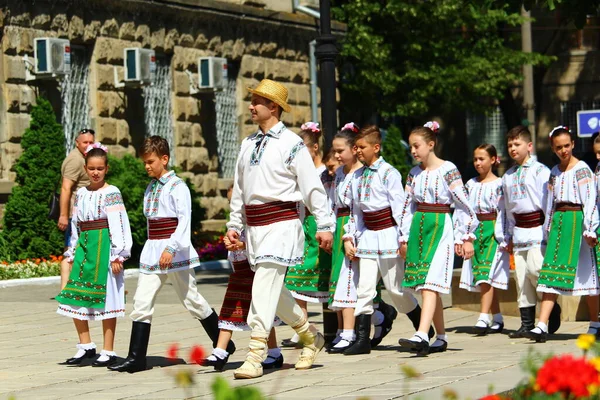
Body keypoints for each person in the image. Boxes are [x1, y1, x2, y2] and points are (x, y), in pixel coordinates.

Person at [226, 79, 333, 379]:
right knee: (275, 291)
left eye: (256, 101)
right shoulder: (247, 144)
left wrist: (325, 224)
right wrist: (235, 225)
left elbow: (312, 188)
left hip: (283, 225)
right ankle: (312, 336)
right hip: (256, 229)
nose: (250, 106)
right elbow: (240, 190)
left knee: (262, 287)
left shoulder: (292, 144)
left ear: (272, 107)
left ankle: (255, 355)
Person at [109, 136, 233, 373]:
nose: (146, 166)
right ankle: (136, 358)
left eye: (151, 161)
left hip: (173, 251)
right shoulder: (151, 187)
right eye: (144, 162)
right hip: (153, 250)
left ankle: (223, 344)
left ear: (164, 159)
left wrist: (171, 248)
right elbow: (151, 222)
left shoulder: (178, 187)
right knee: (142, 300)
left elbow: (184, 221)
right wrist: (152, 247)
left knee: (191, 300)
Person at [343, 125, 430, 356]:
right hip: (368, 238)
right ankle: (362, 339)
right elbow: (355, 212)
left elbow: (400, 208)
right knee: (364, 289)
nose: (358, 150)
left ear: (376, 147)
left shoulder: (389, 173)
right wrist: (350, 236)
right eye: (356, 147)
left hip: (388, 235)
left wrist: (404, 238)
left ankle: (422, 325)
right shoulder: (356, 177)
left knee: (396, 289)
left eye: (362, 147)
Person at [398, 122, 478, 356]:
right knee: (426, 285)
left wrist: (466, 236)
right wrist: (403, 237)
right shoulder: (414, 174)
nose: (413, 151)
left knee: (431, 283)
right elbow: (406, 206)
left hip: (441, 226)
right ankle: (440, 337)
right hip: (419, 229)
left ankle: (423, 333)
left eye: (417, 145)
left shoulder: (448, 169)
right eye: (411, 146)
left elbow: (463, 202)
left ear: (431, 144)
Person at [55, 143, 132, 367]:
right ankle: (86, 344)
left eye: (99, 168)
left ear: (106, 168)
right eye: (91, 168)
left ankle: (108, 349)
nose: (95, 172)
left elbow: (118, 223)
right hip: (85, 248)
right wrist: (72, 249)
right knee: (75, 296)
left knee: (107, 299)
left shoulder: (111, 192)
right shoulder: (80, 194)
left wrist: (119, 254)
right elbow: (76, 224)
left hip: (105, 249)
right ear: (86, 168)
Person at [525, 126, 599, 342]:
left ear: (573, 144)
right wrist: (547, 229)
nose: (563, 150)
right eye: (559, 147)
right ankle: (541, 324)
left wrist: (590, 229)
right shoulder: (554, 172)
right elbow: (549, 203)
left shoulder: (583, 169)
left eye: (567, 146)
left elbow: (590, 200)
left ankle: (595, 323)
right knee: (550, 275)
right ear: (553, 148)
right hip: (559, 224)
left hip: (578, 223)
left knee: (588, 278)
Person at [201, 187, 282, 371]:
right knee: (228, 312)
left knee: (264, 314)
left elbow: (260, 244)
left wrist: (242, 245)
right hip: (239, 275)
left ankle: (275, 352)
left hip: (255, 274)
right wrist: (229, 244)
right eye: (232, 203)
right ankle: (220, 352)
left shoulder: (258, 224)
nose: (235, 207)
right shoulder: (235, 226)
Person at [500, 125, 561, 339]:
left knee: (537, 271)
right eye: (509, 145)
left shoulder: (540, 171)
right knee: (522, 278)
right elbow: (507, 209)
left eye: (517, 144)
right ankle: (526, 323)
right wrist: (506, 235)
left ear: (529, 145)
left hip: (537, 230)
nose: (513, 148)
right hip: (518, 232)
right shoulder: (507, 176)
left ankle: (551, 310)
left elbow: (547, 203)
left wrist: (549, 231)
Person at [282, 122, 333, 348]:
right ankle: (301, 324)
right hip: (302, 224)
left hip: (318, 224)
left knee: (324, 276)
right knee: (295, 277)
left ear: (313, 149)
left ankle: (336, 327)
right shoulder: (299, 174)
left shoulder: (324, 174)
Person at [459, 144, 510, 335]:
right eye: (475, 159)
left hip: (492, 230)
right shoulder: (470, 184)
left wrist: (505, 235)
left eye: (482, 159)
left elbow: (504, 211)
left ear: (493, 160)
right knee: (483, 276)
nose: (478, 163)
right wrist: (463, 236)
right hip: (475, 231)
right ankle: (497, 317)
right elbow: (463, 210)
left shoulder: (500, 184)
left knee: (486, 275)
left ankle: (483, 316)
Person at [58, 129, 96, 290]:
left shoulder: (84, 157)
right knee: (70, 252)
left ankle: (77, 286)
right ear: (77, 143)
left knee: (80, 252)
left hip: (85, 215)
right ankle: (66, 289)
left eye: (91, 142)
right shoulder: (75, 160)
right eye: (85, 142)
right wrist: (64, 215)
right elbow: (66, 188)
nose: (88, 145)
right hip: (75, 217)